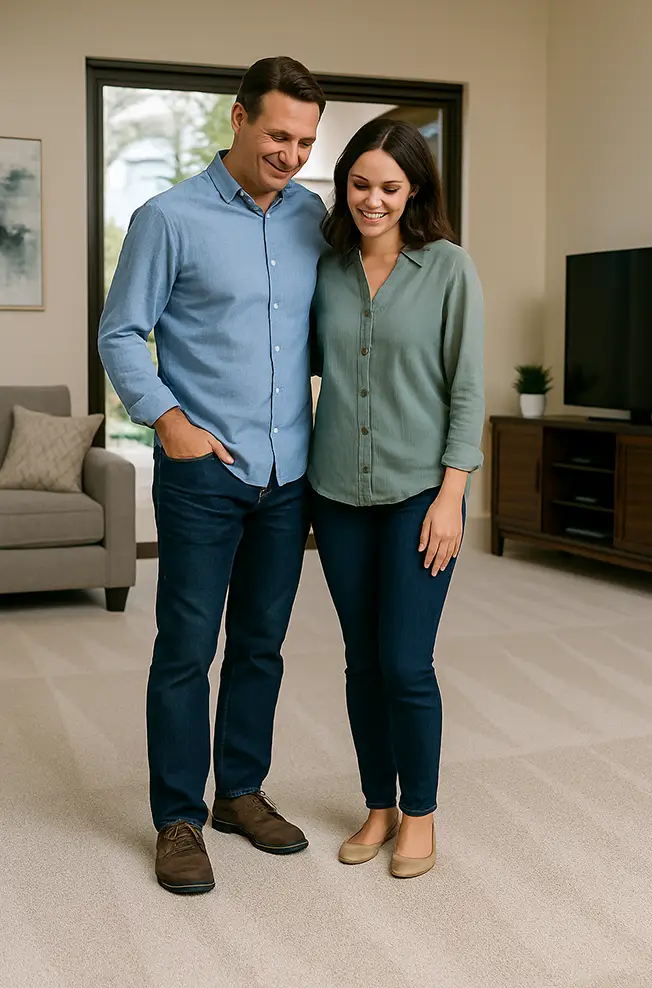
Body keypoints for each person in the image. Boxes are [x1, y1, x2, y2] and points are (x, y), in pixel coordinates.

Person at [99, 56, 328, 895]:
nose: (291, 154)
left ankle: (238, 793)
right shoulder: (169, 217)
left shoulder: (314, 218)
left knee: (261, 647)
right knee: (186, 650)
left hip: (288, 471)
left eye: (304, 140)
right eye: (277, 134)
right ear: (237, 120)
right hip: (204, 473)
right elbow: (122, 331)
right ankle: (177, 819)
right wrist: (168, 421)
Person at [309, 119, 484, 879]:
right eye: (359, 184)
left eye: (388, 186)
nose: (371, 200)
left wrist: (451, 496)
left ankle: (420, 815)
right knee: (360, 661)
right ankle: (377, 805)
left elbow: (467, 388)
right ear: (342, 184)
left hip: (422, 494)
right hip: (337, 494)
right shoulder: (327, 268)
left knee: (406, 663)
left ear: (413, 190)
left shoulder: (447, 268)